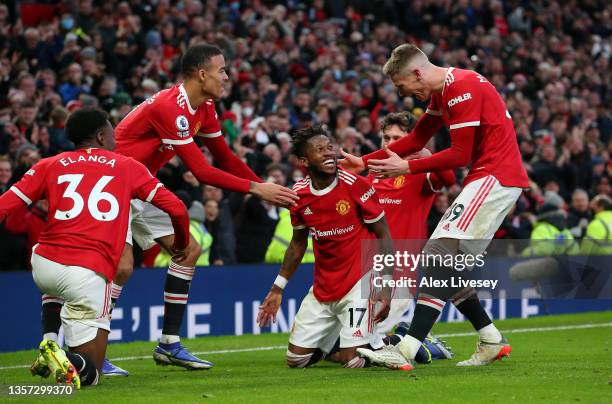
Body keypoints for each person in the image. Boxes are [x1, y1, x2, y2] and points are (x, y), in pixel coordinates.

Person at [341, 44, 529, 369]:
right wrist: (364, 162)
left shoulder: (462, 87)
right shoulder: (442, 94)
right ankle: (490, 339)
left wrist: (408, 168)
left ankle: (407, 348)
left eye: (402, 86)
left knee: (436, 253)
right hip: (489, 177)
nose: (404, 94)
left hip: (495, 176)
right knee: (448, 267)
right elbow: (415, 140)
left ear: (417, 73)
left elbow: (460, 154)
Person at [111, 44, 299, 369]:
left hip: (142, 188)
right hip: (113, 188)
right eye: (222, 70)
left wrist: (264, 190)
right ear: (202, 73)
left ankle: (168, 344)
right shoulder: (170, 106)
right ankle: (88, 349)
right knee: (123, 267)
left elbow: (224, 158)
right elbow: (201, 171)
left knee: (190, 250)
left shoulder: (206, 106)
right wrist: (257, 188)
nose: (227, 76)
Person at [0, 108, 190, 388]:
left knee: (56, 272)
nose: (116, 134)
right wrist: (182, 244)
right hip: (87, 273)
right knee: (92, 375)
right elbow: (177, 208)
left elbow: (5, 206)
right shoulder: (128, 166)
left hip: (43, 264)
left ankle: (50, 340)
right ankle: (65, 356)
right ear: (101, 136)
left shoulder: (48, 164)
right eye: (112, 129)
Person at [257, 125, 392, 369]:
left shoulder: (355, 185)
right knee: (296, 360)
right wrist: (277, 289)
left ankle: (391, 342)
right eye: (319, 150)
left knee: (353, 362)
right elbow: (297, 244)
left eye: (330, 147)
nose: (329, 153)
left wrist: (387, 283)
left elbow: (384, 233)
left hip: (360, 283)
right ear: (304, 161)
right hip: (324, 287)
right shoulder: (298, 195)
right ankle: (367, 341)